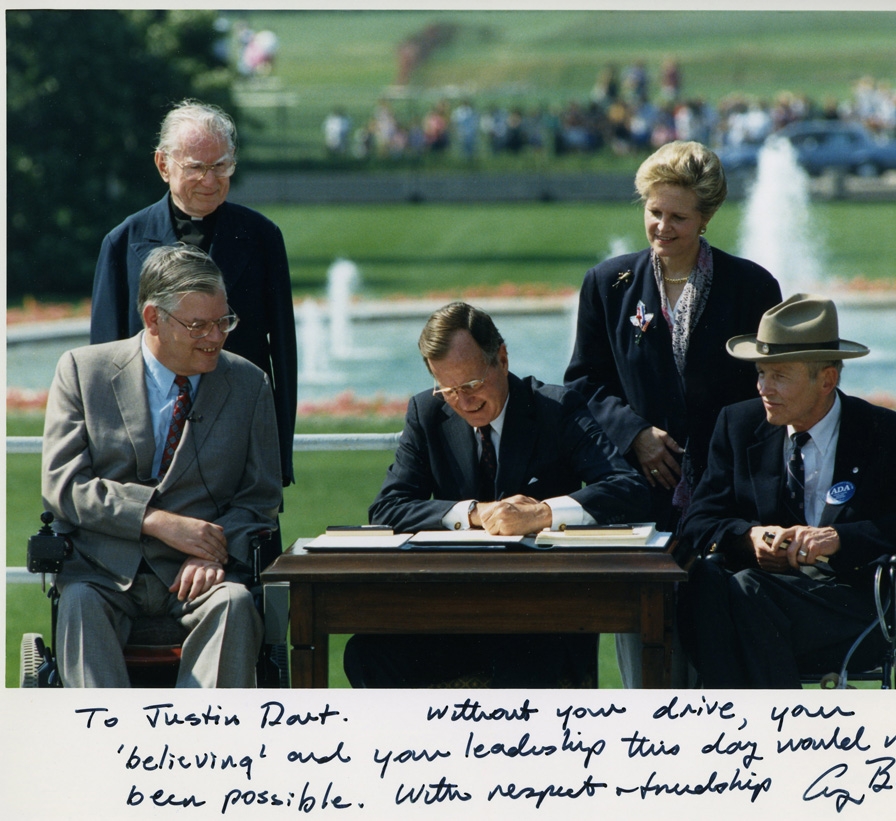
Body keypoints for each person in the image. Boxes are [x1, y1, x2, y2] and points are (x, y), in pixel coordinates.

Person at [564, 139, 781, 687]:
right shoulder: (607, 285)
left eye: (678, 217)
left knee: (719, 650)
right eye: (653, 212)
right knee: (646, 657)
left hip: (727, 495)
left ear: (706, 218)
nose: (662, 227)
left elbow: (767, 390)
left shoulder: (751, 286)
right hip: (639, 495)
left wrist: (721, 462)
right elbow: (584, 383)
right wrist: (634, 433)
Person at [344, 302, 649, 688]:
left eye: (472, 385)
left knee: (523, 664)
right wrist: (473, 512)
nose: (464, 401)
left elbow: (628, 489)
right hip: (453, 617)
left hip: (542, 617)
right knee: (367, 654)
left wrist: (540, 514)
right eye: (449, 389)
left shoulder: (557, 408)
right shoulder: (426, 412)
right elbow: (388, 508)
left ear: (502, 359)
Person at [678, 294, 896, 688]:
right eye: (760, 373)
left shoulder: (884, 434)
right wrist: (750, 537)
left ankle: (740, 726)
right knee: (710, 581)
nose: (763, 389)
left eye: (780, 376)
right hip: (755, 604)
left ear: (826, 380)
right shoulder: (737, 425)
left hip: (848, 607)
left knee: (739, 593)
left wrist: (838, 539)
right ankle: (787, 728)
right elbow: (698, 522)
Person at [42, 244, 282, 688]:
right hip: (102, 571)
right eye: (198, 326)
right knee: (78, 604)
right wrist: (154, 521)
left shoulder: (249, 383)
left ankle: (203, 750)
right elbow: (64, 484)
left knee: (233, 604)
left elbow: (259, 498)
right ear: (154, 318)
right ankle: (104, 747)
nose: (215, 337)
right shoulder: (82, 371)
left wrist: (214, 550)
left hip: (202, 574)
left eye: (223, 322)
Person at [89, 99, 297, 506]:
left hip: (238, 448)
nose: (209, 180)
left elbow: (283, 356)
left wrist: (278, 460)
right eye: (195, 167)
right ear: (163, 165)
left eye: (220, 166)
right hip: (146, 454)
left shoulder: (262, 237)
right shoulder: (122, 243)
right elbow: (103, 361)